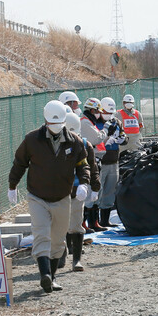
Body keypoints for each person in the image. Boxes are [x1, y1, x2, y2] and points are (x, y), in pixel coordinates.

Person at [8, 100, 90, 293]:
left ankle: (52, 278)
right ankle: (44, 274)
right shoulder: (32, 140)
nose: (55, 127)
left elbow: (83, 164)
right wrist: (12, 185)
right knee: (41, 234)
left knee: (58, 240)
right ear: (45, 120)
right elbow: (19, 163)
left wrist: (84, 183)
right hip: (38, 196)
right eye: (52, 123)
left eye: (59, 123)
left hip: (62, 197)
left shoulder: (74, 142)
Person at [63, 112, 100, 271]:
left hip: (78, 191)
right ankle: (63, 253)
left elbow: (92, 167)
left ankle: (76, 260)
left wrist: (95, 187)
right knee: (60, 225)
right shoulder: (55, 145)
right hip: (58, 192)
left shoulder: (85, 145)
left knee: (76, 224)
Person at [80, 97, 114, 232]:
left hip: (96, 159)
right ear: (92, 110)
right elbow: (96, 138)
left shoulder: (89, 122)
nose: (99, 114)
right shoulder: (85, 122)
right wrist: (106, 130)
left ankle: (94, 222)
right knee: (89, 193)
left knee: (95, 193)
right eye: (98, 111)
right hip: (89, 160)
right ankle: (84, 223)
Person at [98, 97, 127, 227]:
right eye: (106, 112)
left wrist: (122, 139)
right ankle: (94, 221)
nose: (109, 115)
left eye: (111, 112)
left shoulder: (116, 122)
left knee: (110, 192)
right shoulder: (96, 123)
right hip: (101, 162)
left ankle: (105, 220)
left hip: (114, 160)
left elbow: (124, 137)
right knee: (98, 191)